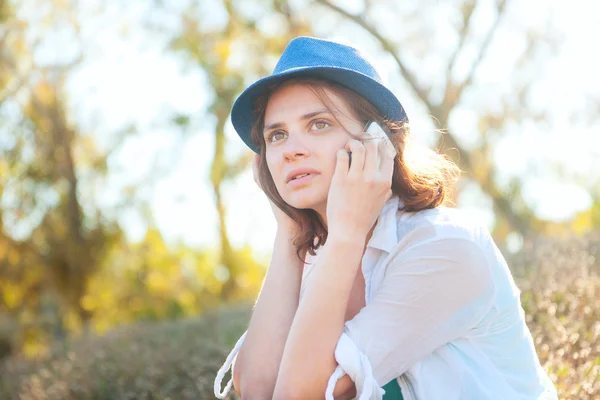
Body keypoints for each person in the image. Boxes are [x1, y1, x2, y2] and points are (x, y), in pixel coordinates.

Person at [213, 36, 557, 400]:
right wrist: (289, 233)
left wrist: (345, 236)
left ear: (378, 141)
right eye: (277, 135)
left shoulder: (443, 246)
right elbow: (257, 390)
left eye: (319, 124)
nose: (291, 151)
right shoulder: (320, 262)